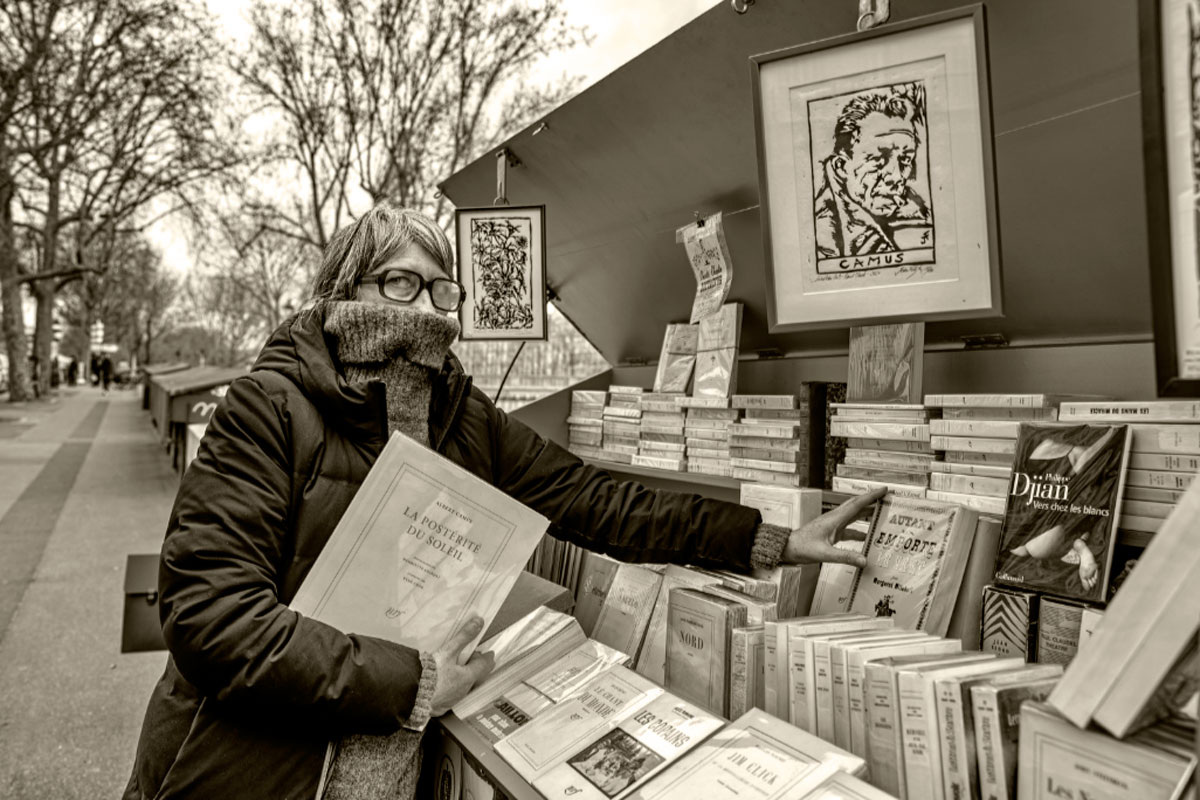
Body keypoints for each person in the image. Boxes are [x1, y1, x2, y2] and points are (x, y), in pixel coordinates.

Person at [123, 203, 881, 800]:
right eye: (398, 281)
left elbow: (594, 500)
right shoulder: (269, 407)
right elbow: (212, 619)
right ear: (341, 290)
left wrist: (769, 537)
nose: (424, 306)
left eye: (438, 286)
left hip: (390, 769)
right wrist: (412, 682)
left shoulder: (461, 413)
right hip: (248, 773)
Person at [814, 85, 933, 261]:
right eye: (879, 159)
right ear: (840, 167)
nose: (896, 177)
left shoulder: (918, 216)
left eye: (905, 160)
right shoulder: (822, 241)